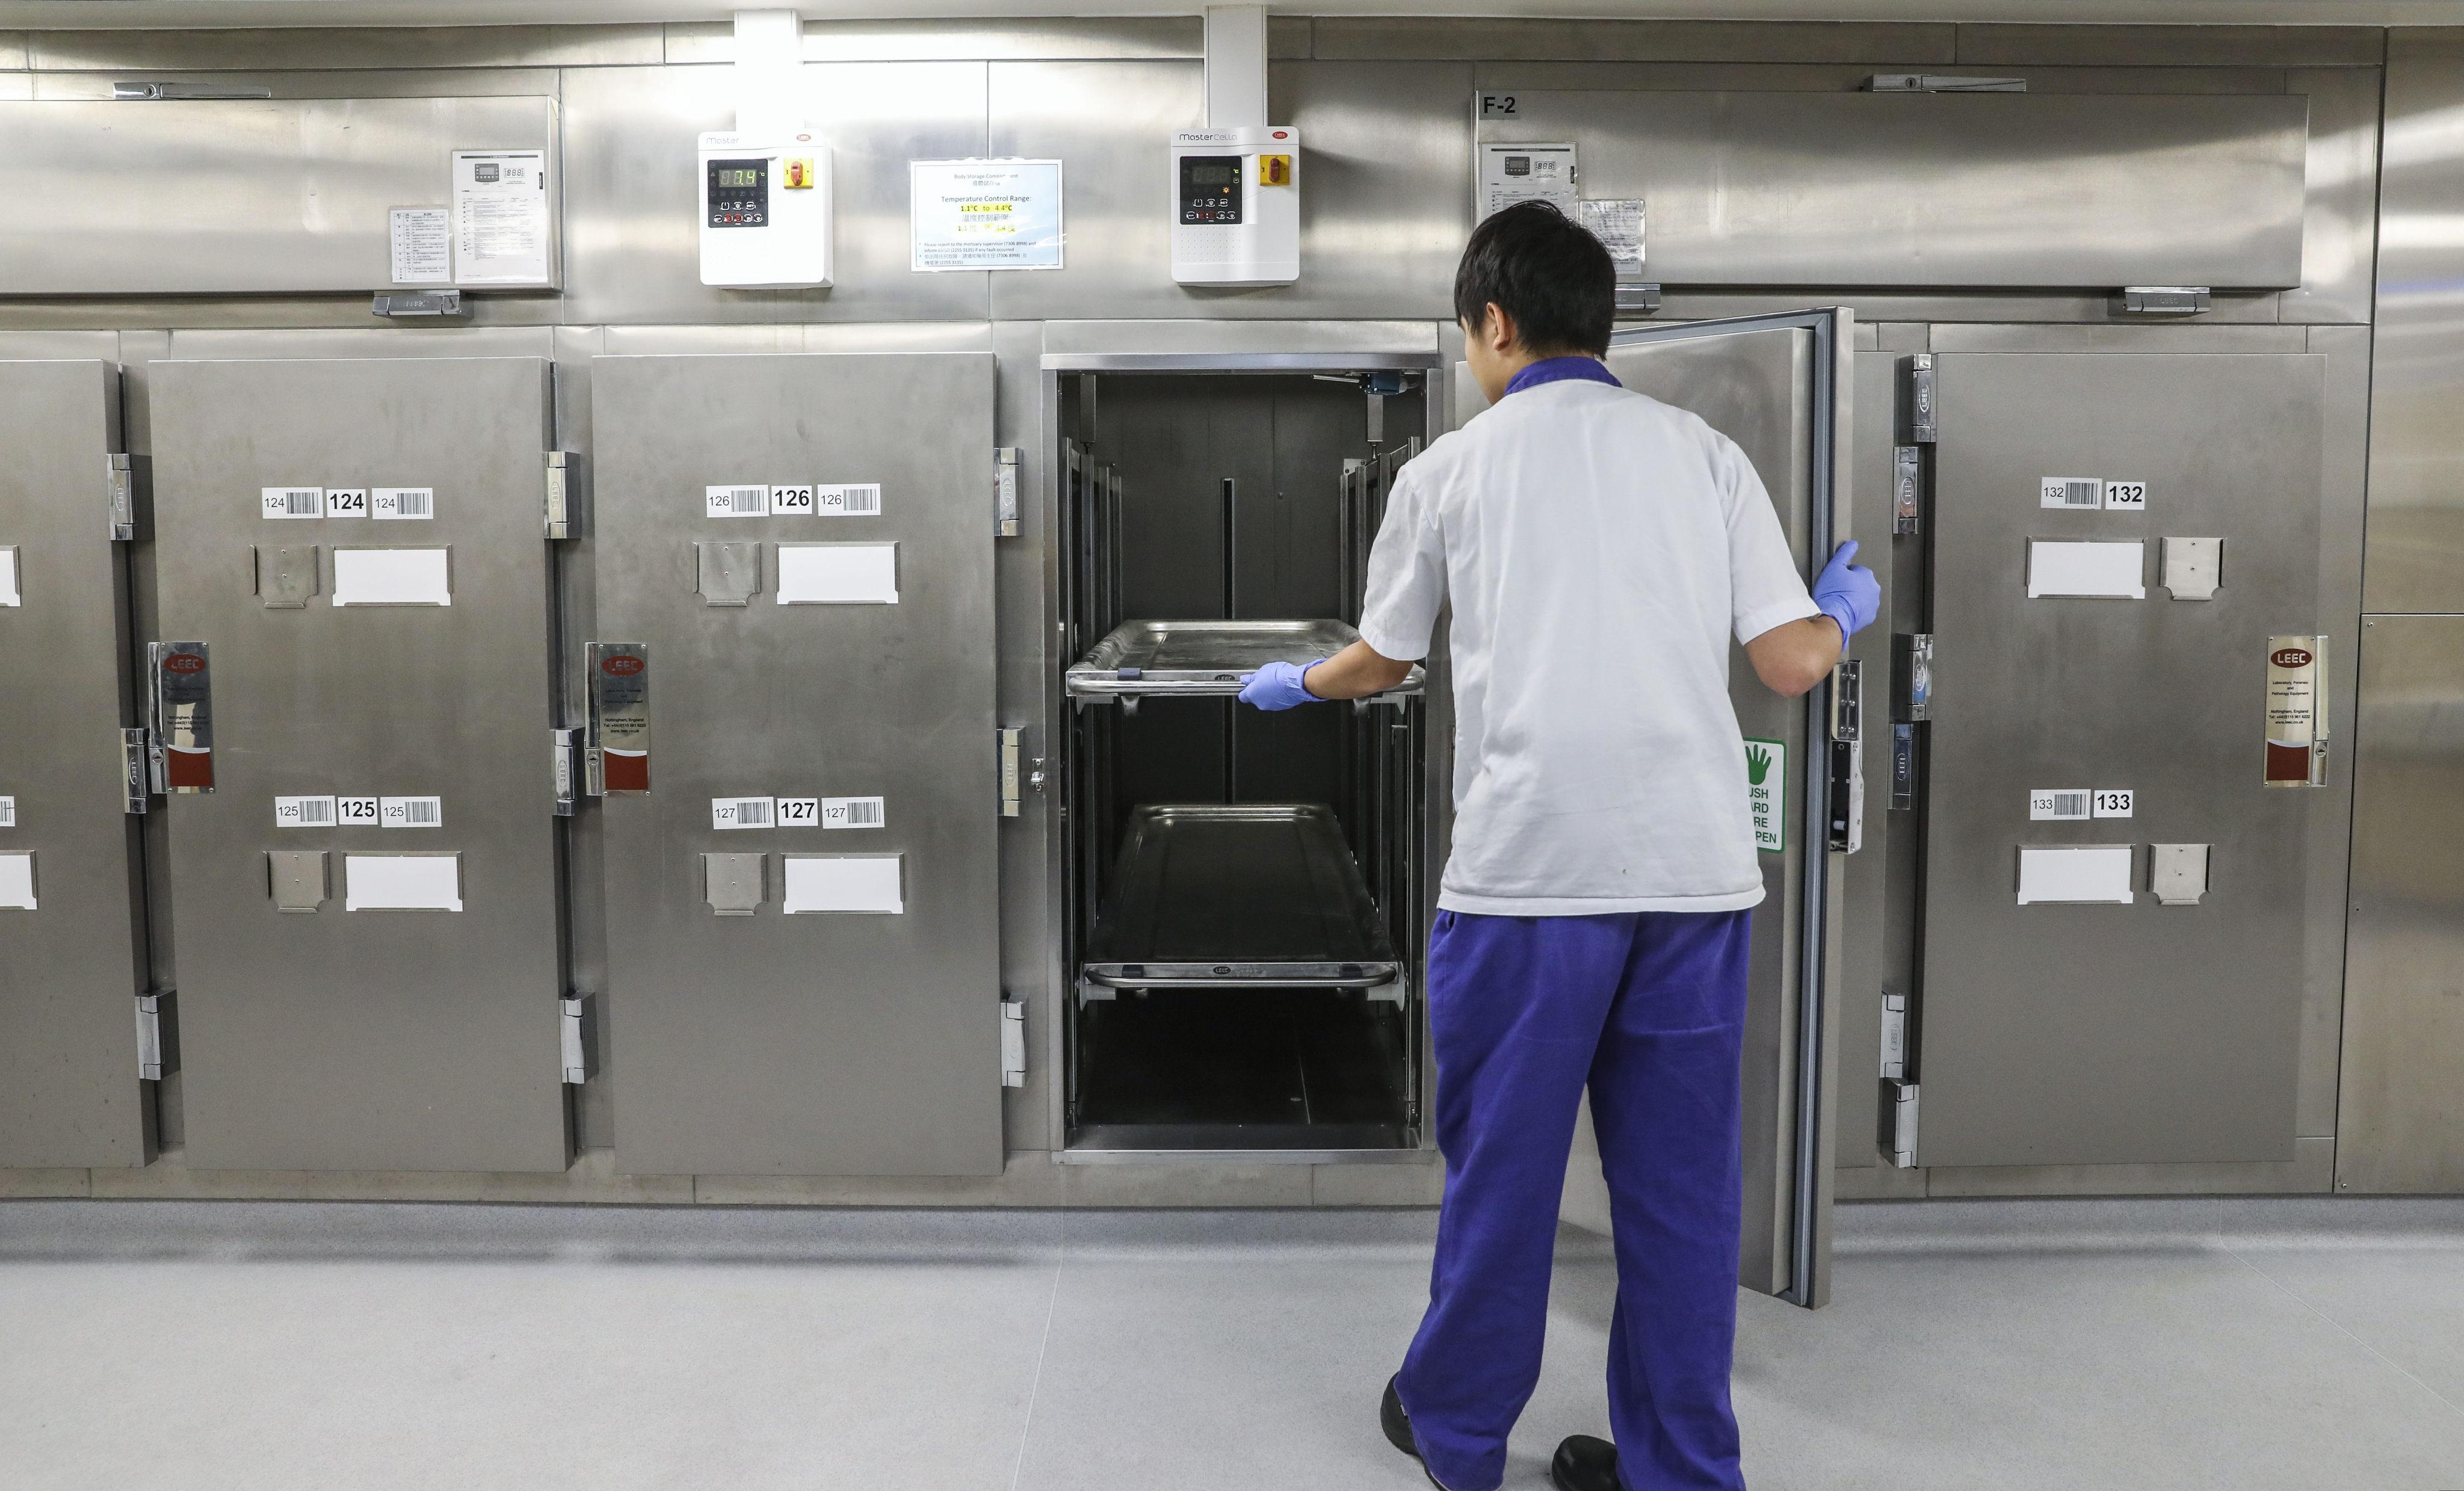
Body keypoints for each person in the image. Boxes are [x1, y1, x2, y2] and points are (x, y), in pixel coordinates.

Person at [1237, 200, 1877, 1491]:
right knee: (1681, 1197)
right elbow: (1789, 662)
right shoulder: (1702, 454)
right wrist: (1842, 612)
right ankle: (1679, 1467)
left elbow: (1383, 659)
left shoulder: (1450, 469)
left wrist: (1297, 684)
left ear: (1493, 322)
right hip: (1692, 882)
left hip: (1526, 883)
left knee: (1506, 1179)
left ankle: (1459, 1436)